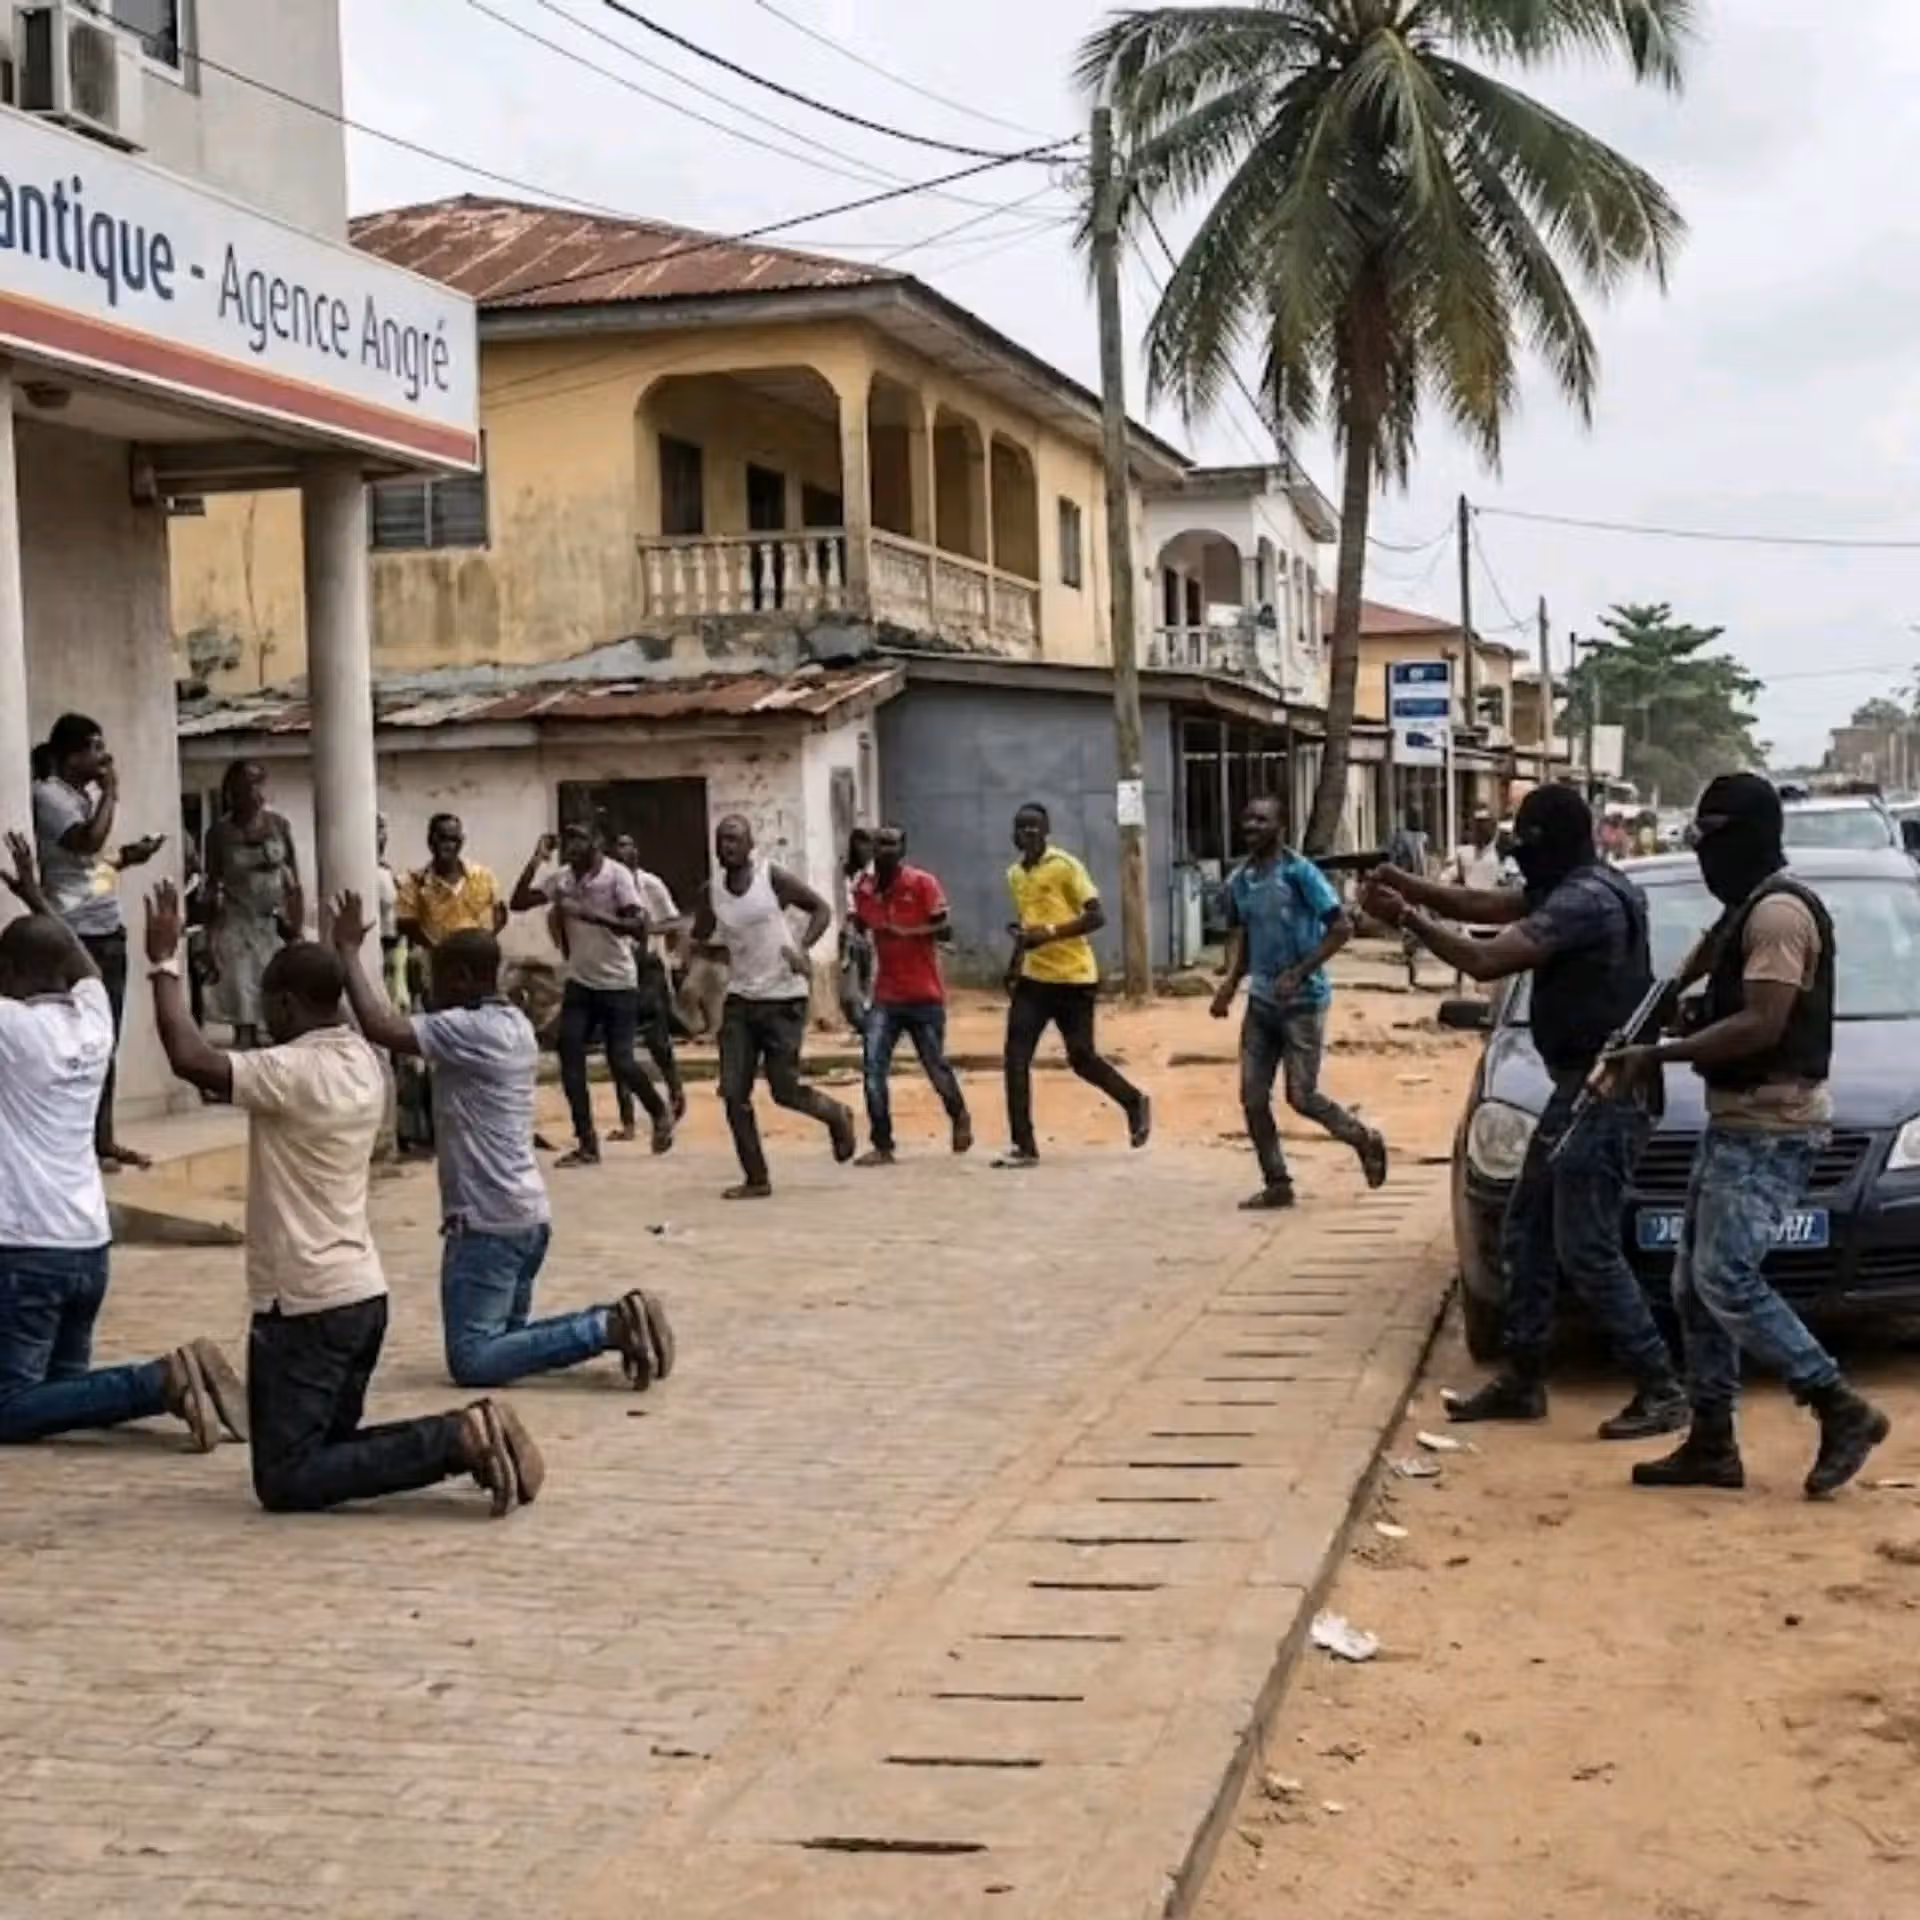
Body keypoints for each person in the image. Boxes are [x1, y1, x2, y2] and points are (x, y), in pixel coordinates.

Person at [144, 879, 544, 1516]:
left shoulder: (290, 1072)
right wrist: (325, 945)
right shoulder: (361, 1058)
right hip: (360, 1295)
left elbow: (191, 1058)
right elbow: (333, 999)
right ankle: (466, 1436)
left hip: (304, 1306)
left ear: (282, 1006)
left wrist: (162, 963)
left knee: (285, 1479)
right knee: (327, 1449)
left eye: (272, 1008)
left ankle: (456, 1437)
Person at [1362, 785, 1688, 1441]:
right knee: (1526, 1230)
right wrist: (1413, 885)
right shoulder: (1589, 883)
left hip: (1605, 1091)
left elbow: (1486, 955)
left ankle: (1661, 1387)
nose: (1522, 861)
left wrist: (1407, 916)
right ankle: (1524, 1377)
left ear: (1555, 843)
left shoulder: (1585, 901)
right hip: (1580, 1089)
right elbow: (1483, 904)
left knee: (1587, 1246)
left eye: (1530, 847)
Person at [1603, 775, 1890, 1498]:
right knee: (1693, 1287)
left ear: (1750, 836)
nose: (1706, 856)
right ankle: (1711, 1442)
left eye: (1715, 839)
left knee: (1725, 1276)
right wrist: (1666, 1013)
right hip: (1737, 1121)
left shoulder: (1779, 916)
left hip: (1773, 1123)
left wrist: (1658, 1056)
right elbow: (1704, 986)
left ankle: (1837, 1404)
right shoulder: (1741, 914)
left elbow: (1763, 1023)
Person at [327, 890, 674, 1393]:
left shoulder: (468, 1030)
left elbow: (380, 1026)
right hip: (525, 1217)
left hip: (487, 1226)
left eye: (439, 979)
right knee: (507, 1344)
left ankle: (608, 1325)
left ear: (465, 980)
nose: (431, 990)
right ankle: (616, 1324)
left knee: (472, 1359)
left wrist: (346, 952)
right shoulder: (513, 1024)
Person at [0, 834, 239, 1450]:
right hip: (88, 1244)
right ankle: (175, 1384)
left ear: (15, 975)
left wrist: (32, 900)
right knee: (61, 1401)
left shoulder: (14, 1030)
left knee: (9, 1408)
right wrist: (33, 898)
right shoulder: (93, 1018)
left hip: (29, 1250)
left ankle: (157, 1381)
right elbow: (73, 953)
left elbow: (59, 955)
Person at [1210, 797, 1388, 1208]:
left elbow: (1341, 928)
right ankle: (1277, 1181)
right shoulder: (1242, 879)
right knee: (1253, 1097)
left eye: (1262, 819)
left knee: (1301, 1096)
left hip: (1304, 1003)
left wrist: (1301, 971)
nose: (1252, 825)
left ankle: (1362, 1138)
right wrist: (1231, 983)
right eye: (1248, 818)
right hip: (1261, 1003)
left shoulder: (1300, 873)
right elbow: (1248, 936)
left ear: (1279, 827)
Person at [690, 814, 854, 1199]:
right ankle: (756, 1177)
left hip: (783, 996)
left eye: (734, 839)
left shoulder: (771, 878)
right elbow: (700, 933)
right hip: (741, 999)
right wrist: (672, 931)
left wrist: (802, 949)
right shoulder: (712, 890)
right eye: (721, 840)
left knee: (784, 1089)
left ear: (750, 845)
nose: (727, 846)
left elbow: (821, 910)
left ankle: (835, 1114)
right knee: (733, 1093)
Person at [31, 713, 165, 1168]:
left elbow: (93, 868)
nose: (104, 758)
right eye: (95, 748)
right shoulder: (48, 797)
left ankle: (102, 1139)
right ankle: (80, 1142)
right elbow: (86, 844)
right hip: (77, 935)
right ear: (71, 755)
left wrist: (130, 856)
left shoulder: (80, 799)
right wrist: (112, 794)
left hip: (105, 928)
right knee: (80, 1041)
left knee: (105, 1041)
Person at [998, 803, 1151, 1170]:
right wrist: (1015, 962)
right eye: (1022, 828)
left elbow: (1096, 916)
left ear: (1047, 830)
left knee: (1081, 1058)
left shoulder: (1066, 866)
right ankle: (1024, 1145)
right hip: (1034, 979)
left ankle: (1133, 1101)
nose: (1028, 834)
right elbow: (1028, 922)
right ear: (1014, 834)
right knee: (1015, 1059)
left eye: (1035, 827)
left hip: (1074, 978)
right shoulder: (1015, 875)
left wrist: (1049, 934)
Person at [510, 823, 673, 1166]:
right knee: (570, 1056)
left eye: (579, 838)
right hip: (581, 983)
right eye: (567, 839)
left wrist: (588, 914)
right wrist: (536, 859)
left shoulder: (616, 877)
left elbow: (638, 925)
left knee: (622, 1061)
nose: (571, 846)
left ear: (596, 843)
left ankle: (659, 1111)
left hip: (617, 982)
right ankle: (587, 1143)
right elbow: (518, 901)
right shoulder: (563, 880)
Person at [851, 825, 972, 1165]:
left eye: (892, 844)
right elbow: (858, 927)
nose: (885, 850)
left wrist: (908, 932)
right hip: (886, 995)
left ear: (903, 850)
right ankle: (883, 1143)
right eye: (880, 844)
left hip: (924, 994)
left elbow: (945, 928)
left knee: (935, 1067)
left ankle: (959, 1114)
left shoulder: (922, 884)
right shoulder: (865, 889)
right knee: (873, 1068)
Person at [204, 759, 303, 1051]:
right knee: (244, 1003)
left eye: (260, 782)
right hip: (237, 925)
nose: (256, 791)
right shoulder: (219, 834)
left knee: (276, 1001)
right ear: (233, 790)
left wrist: (295, 925)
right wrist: (208, 940)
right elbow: (211, 885)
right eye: (248, 785)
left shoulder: (278, 825)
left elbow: (294, 881)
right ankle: (245, 1070)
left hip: (273, 926)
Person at [609, 833, 688, 1135]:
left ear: (637, 853)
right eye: (618, 847)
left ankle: (676, 1094)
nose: (622, 851)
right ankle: (627, 1121)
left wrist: (652, 933)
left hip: (649, 966)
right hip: (617, 968)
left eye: (628, 845)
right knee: (619, 1044)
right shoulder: (606, 886)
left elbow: (675, 922)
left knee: (657, 1039)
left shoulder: (650, 884)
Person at [395, 814, 508, 957]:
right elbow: (406, 924)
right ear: (430, 841)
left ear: (461, 842)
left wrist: (485, 942)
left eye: (454, 839)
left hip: (477, 964)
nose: (448, 846)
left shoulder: (483, 877)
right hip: (436, 967)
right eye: (443, 838)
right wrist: (439, 953)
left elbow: (500, 914)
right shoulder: (414, 883)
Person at [1384, 807, 1432, 989]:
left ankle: (1413, 971)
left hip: (1414, 888)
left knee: (1414, 928)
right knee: (1413, 927)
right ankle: (1412, 973)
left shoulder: (1414, 839)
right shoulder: (1412, 839)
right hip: (1413, 888)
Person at [838, 826, 876, 1035]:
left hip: (870, 928)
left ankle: (869, 1021)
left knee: (870, 976)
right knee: (850, 980)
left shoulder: (875, 874)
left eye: (868, 845)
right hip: (850, 928)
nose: (864, 850)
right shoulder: (845, 872)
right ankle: (860, 1020)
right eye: (860, 844)